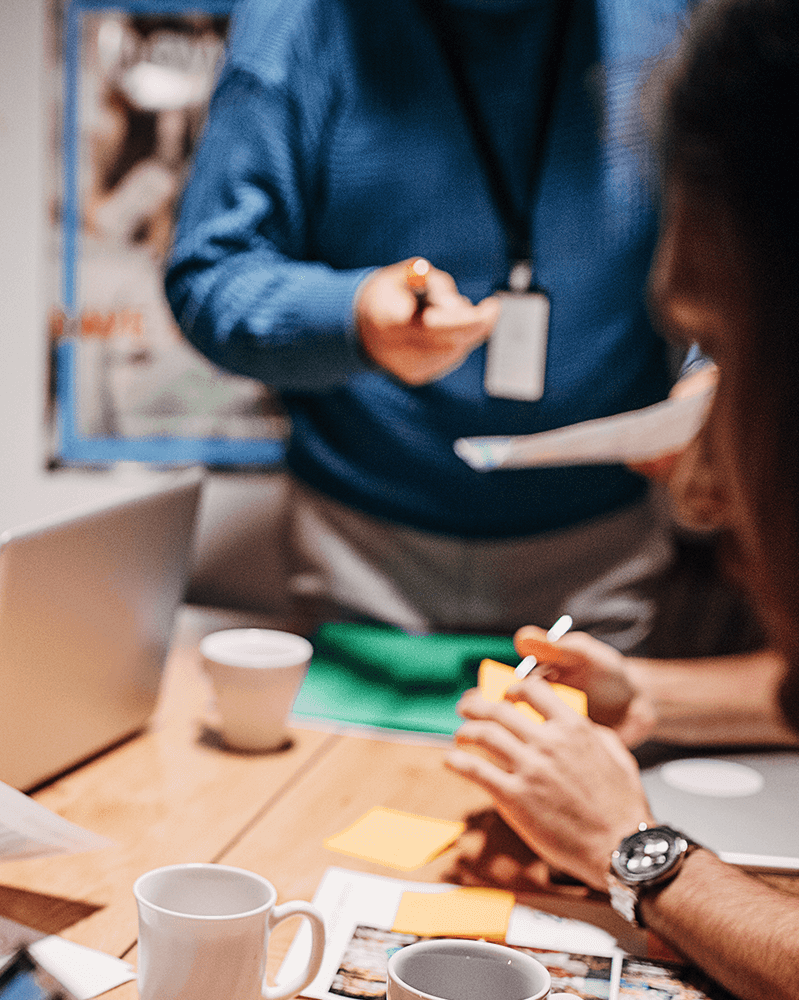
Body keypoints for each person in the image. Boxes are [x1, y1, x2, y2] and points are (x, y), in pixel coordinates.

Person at [228, 0, 799, 1000]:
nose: (708, 486)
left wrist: (640, 848)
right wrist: (662, 707)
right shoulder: (299, 35)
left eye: (723, 357)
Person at [164, 0, 703, 649]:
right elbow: (210, 270)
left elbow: (751, 250)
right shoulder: (299, 18)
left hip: (600, 558)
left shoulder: (677, 18)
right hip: (362, 555)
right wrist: (353, 315)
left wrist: (712, 380)